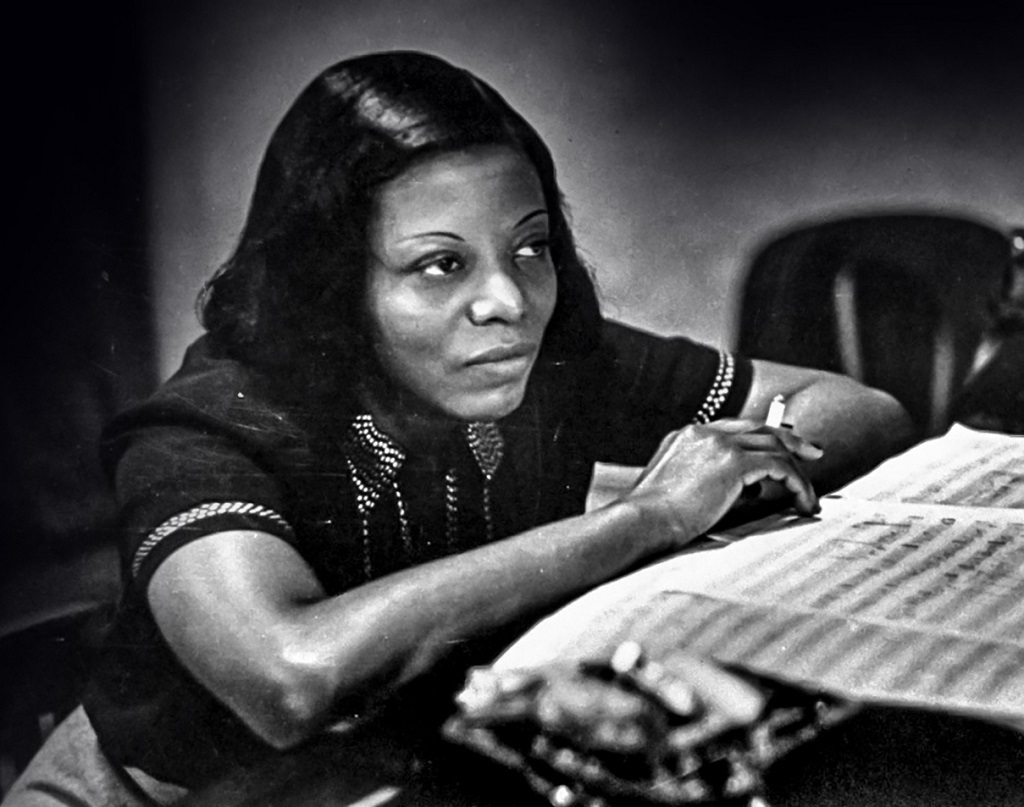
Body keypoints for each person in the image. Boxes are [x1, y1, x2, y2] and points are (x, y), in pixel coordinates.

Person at [3, 51, 912, 806]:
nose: (507, 301)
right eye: (440, 264)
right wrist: (646, 517)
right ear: (335, 282)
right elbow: (292, 677)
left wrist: (718, 466)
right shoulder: (204, 429)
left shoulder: (547, 358)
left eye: (530, 246)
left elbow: (861, 413)